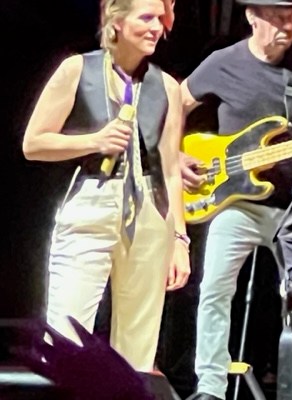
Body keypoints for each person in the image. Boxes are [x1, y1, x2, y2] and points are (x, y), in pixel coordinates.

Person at [21, 0, 190, 374]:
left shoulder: (167, 87)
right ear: (117, 22)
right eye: (146, 18)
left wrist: (180, 238)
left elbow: (170, 170)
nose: (157, 27)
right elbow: (33, 143)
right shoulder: (78, 70)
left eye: (160, 19)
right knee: (66, 337)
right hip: (92, 202)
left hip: (151, 212)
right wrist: (93, 141)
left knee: (138, 347)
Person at [178, 0, 292, 398]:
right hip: (235, 204)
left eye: (291, 18)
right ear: (252, 17)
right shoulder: (223, 62)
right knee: (214, 288)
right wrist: (175, 155)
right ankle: (210, 387)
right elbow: (174, 103)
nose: (286, 26)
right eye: (277, 18)